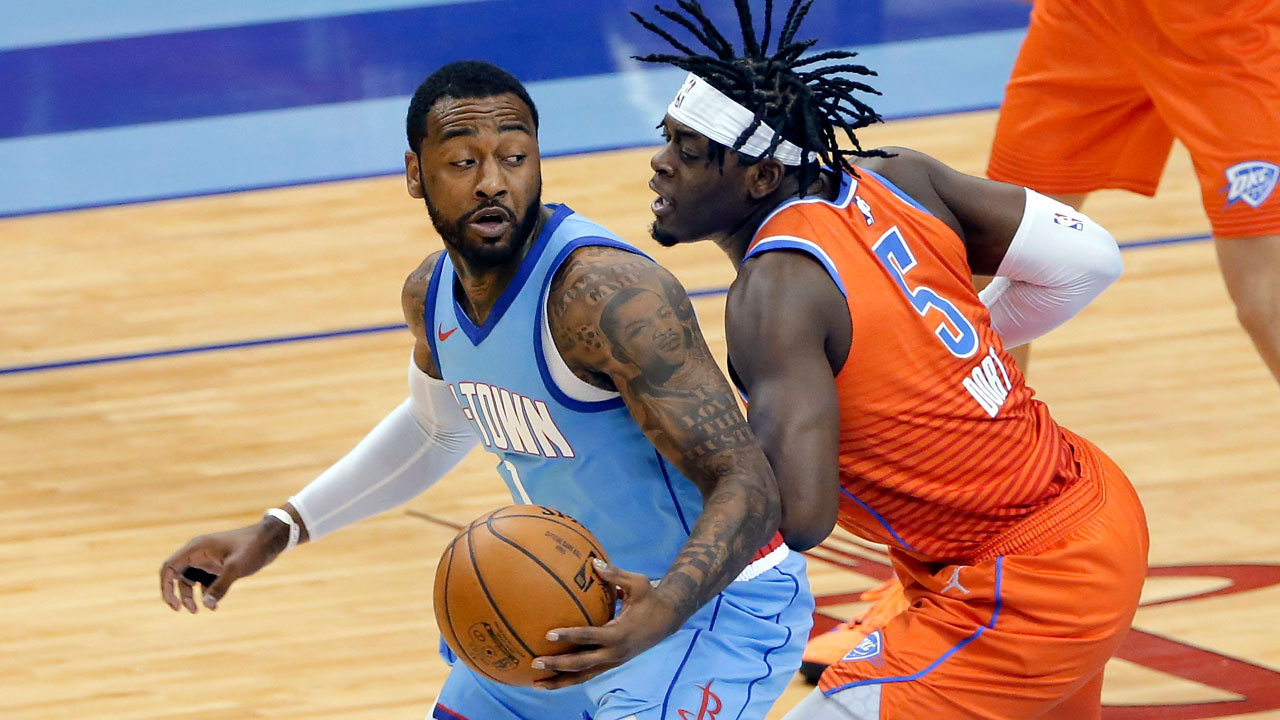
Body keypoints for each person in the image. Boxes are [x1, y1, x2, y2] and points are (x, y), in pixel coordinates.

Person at [158, 60, 813, 720]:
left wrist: (664, 609)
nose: (493, 183)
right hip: (559, 608)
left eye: (514, 156)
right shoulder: (431, 295)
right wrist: (279, 530)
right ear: (416, 173)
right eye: (464, 162)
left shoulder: (605, 296)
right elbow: (434, 429)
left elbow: (749, 484)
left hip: (705, 610)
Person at [632, 1, 1149, 717]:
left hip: (1023, 588)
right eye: (668, 139)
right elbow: (1090, 258)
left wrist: (664, 592)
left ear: (757, 179)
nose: (661, 163)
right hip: (1094, 510)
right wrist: (948, 359)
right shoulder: (897, 175)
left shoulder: (773, 292)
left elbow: (802, 518)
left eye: (690, 152)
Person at [989, 0, 1280, 386]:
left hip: (1226, 25)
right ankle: (1001, 441)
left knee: (1265, 303)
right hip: (1089, 15)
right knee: (998, 260)